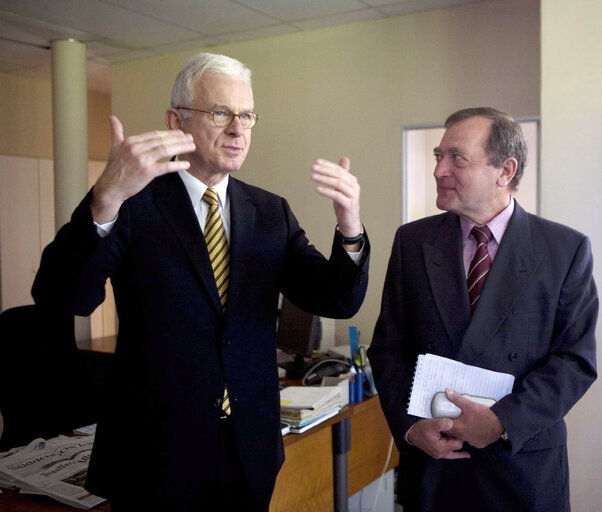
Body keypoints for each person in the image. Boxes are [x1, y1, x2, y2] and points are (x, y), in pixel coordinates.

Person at [32, 53, 370, 511]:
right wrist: (106, 195)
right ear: (177, 121)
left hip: (248, 449)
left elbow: (335, 297)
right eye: (220, 113)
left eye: (247, 115)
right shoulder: (132, 201)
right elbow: (63, 296)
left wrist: (349, 226)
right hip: (155, 454)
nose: (238, 129)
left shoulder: (270, 212)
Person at [368, 107, 598, 511]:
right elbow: (389, 349)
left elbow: (574, 360)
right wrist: (409, 429)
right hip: (435, 471)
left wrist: (502, 422)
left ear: (505, 171)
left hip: (520, 469)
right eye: (438, 156)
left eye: (456, 158)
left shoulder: (563, 250)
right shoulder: (412, 242)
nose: (439, 170)